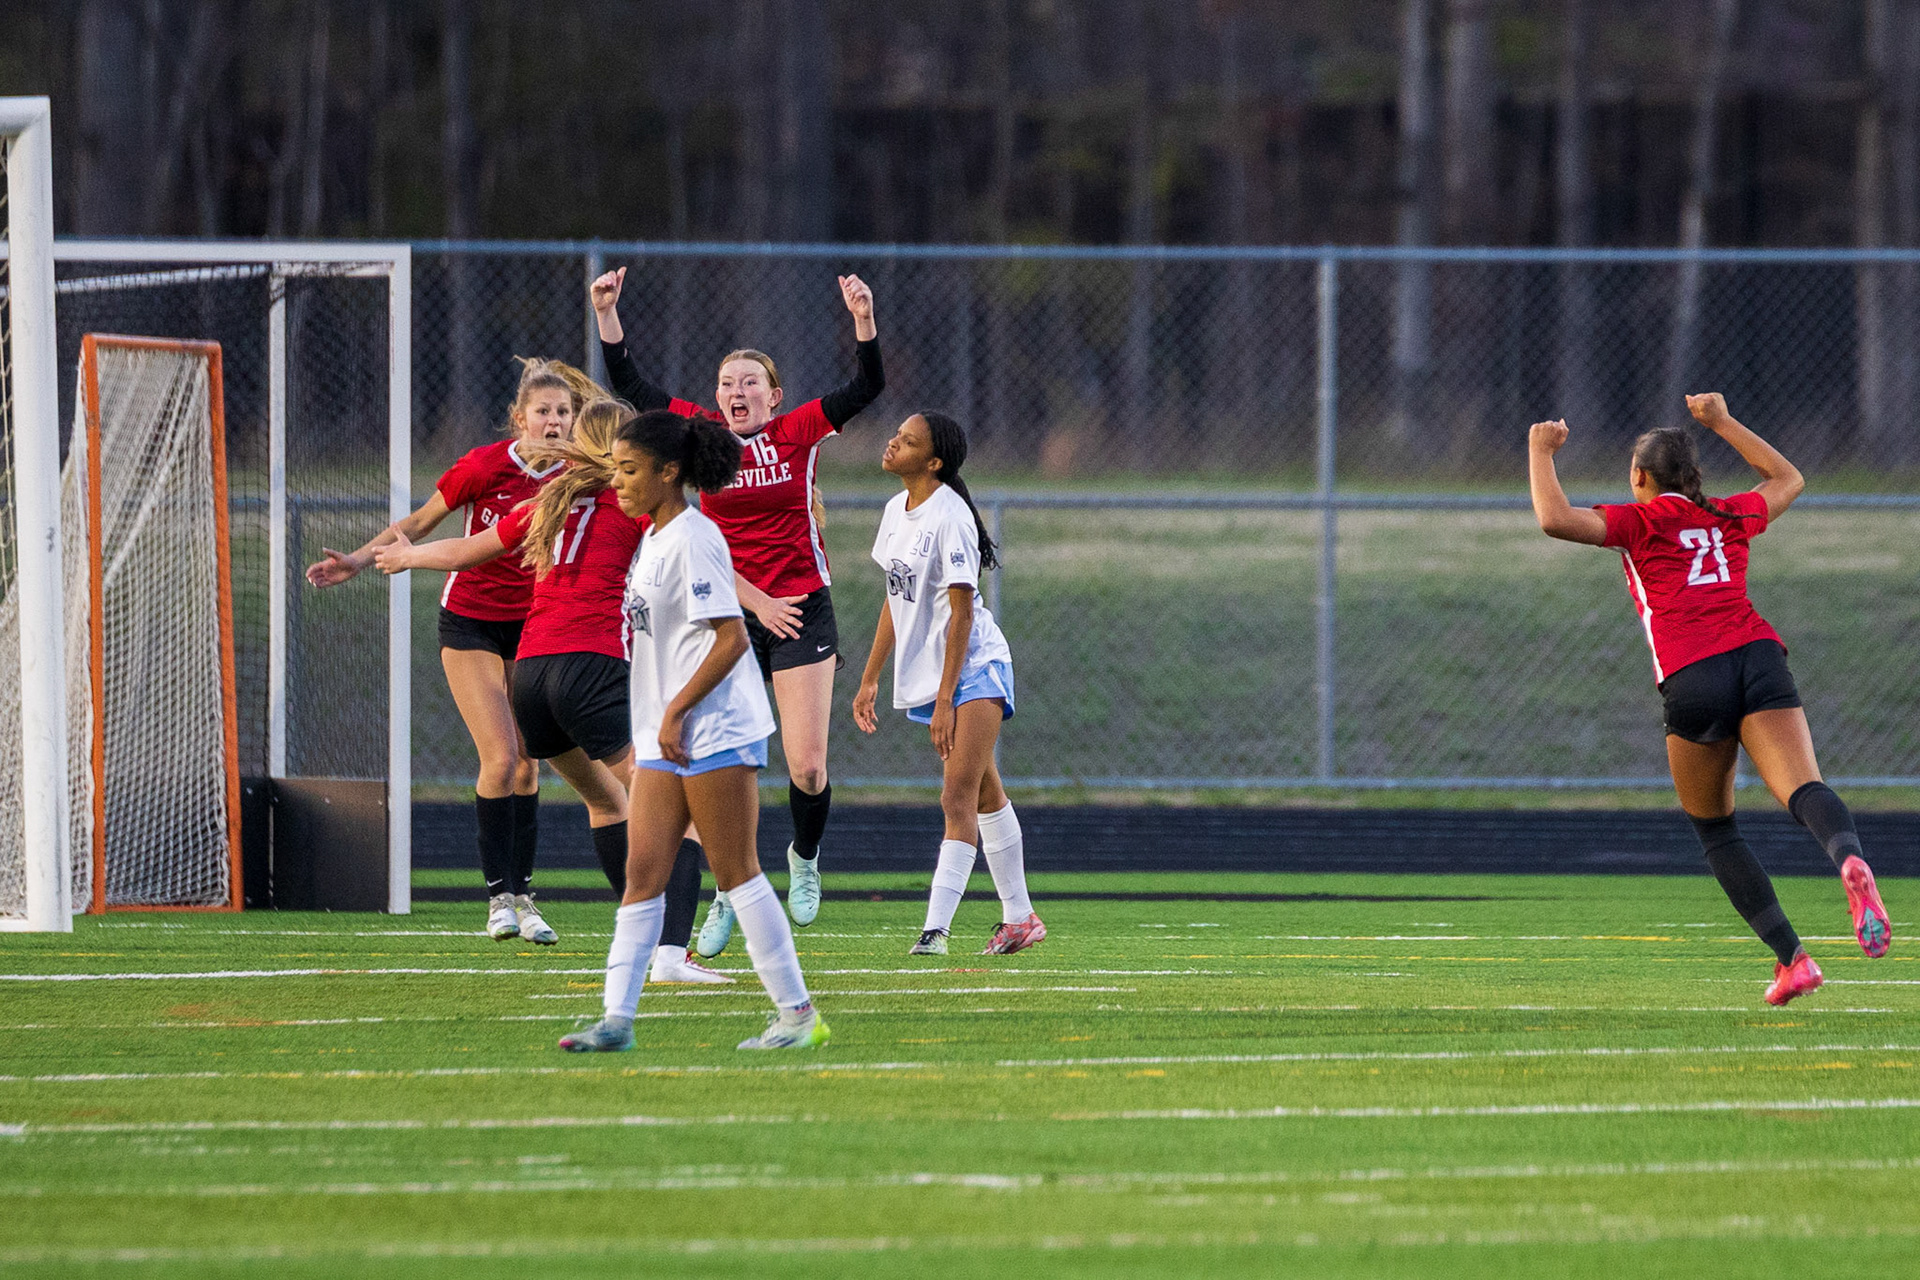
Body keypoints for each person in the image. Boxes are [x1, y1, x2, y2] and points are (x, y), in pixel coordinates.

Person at [1527, 393, 1893, 1005]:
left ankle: (1794, 960)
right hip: (1758, 655)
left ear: (1639, 477)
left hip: (1693, 673)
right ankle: (1849, 859)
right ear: (1692, 475)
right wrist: (1722, 422)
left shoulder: (1639, 522)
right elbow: (1788, 479)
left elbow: (1554, 518)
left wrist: (1541, 451)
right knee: (1804, 787)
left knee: (1717, 831)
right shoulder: (1728, 513)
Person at [373, 399, 728, 985]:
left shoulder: (549, 499)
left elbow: (469, 550)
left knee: (609, 802)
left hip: (532, 676)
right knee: (678, 800)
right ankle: (671, 951)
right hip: (590, 665)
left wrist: (410, 556)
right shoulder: (634, 503)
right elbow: (700, 557)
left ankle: (638, 937)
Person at [590, 267, 884, 948]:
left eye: (750, 382)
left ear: (773, 396)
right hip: (727, 614)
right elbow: (633, 387)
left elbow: (867, 385)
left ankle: (804, 858)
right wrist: (607, 313)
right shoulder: (699, 431)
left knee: (807, 766)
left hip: (800, 609)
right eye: (727, 383)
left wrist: (863, 319)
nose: (736, 392)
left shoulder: (799, 430)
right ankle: (729, 885)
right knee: (716, 762)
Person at [560, 409, 828, 1052]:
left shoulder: (695, 537)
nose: (617, 481)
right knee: (642, 875)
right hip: (664, 736)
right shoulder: (652, 540)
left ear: (668, 472)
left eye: (629, 470)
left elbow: (731, 638)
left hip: (716, 730)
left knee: (737, 872)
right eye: (616, 469)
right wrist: (656, 722)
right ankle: (617, 1021)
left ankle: (798, 1016)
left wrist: (677, 710)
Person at [308, 358, 598, 944]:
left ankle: (525, 897)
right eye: (543, 411)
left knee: (529, 763)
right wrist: (358, 561)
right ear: (520, 418)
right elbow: (420, 521)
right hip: (472, 622)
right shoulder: (485, 466)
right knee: (501, 757)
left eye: (564, 412)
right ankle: (498, 900)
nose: (554, 422)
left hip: (535, 626)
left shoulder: (579, 475)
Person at [852, 412, 1043, 957]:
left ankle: (934, 931)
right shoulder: (896, 510)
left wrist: (945, 701)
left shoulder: (951, 516)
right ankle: (1020, 919)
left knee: (955, 795)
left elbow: (961, 616)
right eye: (897, 434)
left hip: (976, 666)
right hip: (944, 676)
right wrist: (869, 677)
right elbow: (896, 598)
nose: (893, 442)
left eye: (908, 441)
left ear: (934, 462)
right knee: (984, 792)